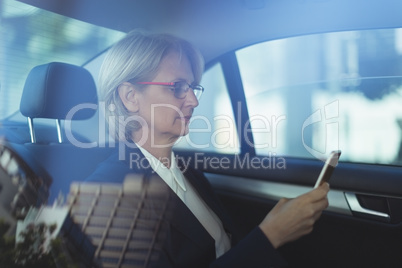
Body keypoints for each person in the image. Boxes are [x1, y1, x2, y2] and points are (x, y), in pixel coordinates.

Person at [86, 29, 329, 267]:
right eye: (177, 87)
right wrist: (270, 235)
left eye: (192, 87)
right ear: (130, 96)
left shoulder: (189, 173)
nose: (193, 100)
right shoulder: (107, 193)